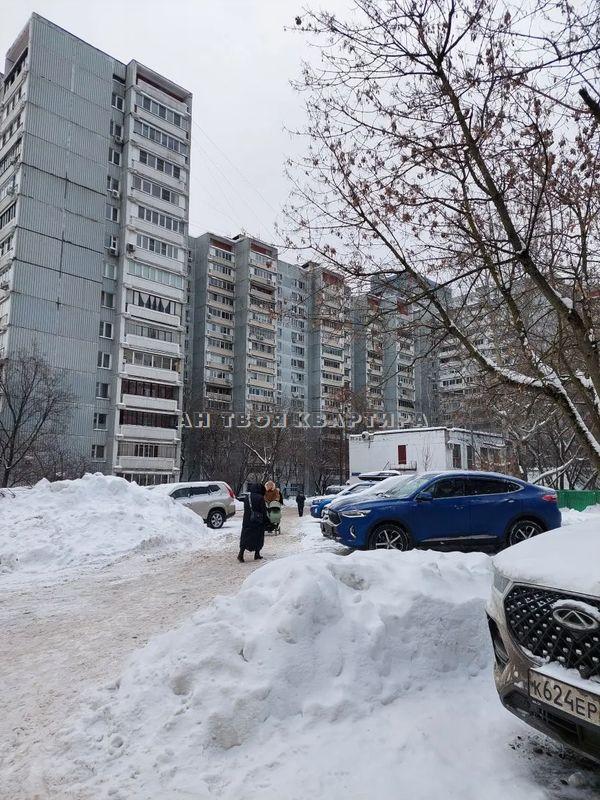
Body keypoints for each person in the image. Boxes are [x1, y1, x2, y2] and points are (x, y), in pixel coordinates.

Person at [238, 482, 273, 562]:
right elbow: (263, 511)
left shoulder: (247, 497)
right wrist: (267, 521)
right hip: (257, 522)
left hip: (247, 521)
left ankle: (241, 554)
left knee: (245, 537)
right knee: (258, 537)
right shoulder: (260, 498)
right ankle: (257, 554)